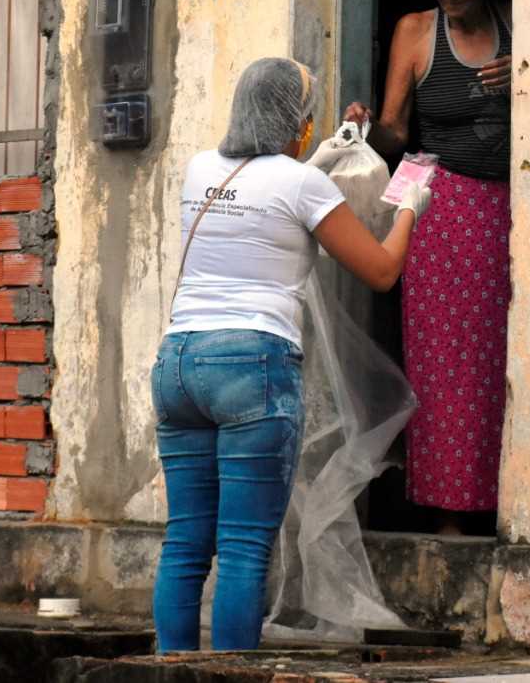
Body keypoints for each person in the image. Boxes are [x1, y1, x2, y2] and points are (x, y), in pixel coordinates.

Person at [151, 57, 432, 652]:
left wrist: (319, 162)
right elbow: (381, 270)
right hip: (252, 365)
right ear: (296, 123)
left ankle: (171, 667)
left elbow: (262, 199)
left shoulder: (199, 169)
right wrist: (409, 204)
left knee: (185, 542)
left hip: (178, 362)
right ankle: (230, 673)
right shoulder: (303, 183)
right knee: (245, 547)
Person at [343, 0, 513, 534]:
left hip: (511, 211)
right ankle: (448, 519)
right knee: (444, 365)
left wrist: (522, 84)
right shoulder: (416, 32)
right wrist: (365, 127)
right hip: (441, 210)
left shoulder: (520, 24)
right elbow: (396, 130)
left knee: (501, 362)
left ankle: (503, 505)